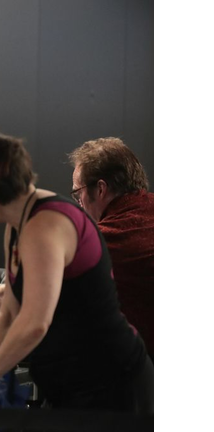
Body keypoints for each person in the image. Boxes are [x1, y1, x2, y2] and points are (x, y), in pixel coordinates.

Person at [0, 132, 152, 413]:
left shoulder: (46, 226)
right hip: (74, 382)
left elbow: (34, 322)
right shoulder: (17, 226)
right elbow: (9, 312)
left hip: (111, 384)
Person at [69, 137, 154, 357]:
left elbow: (28, 289)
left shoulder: (105, 239)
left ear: (100, 189)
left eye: (78, 194)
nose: (79, 205)